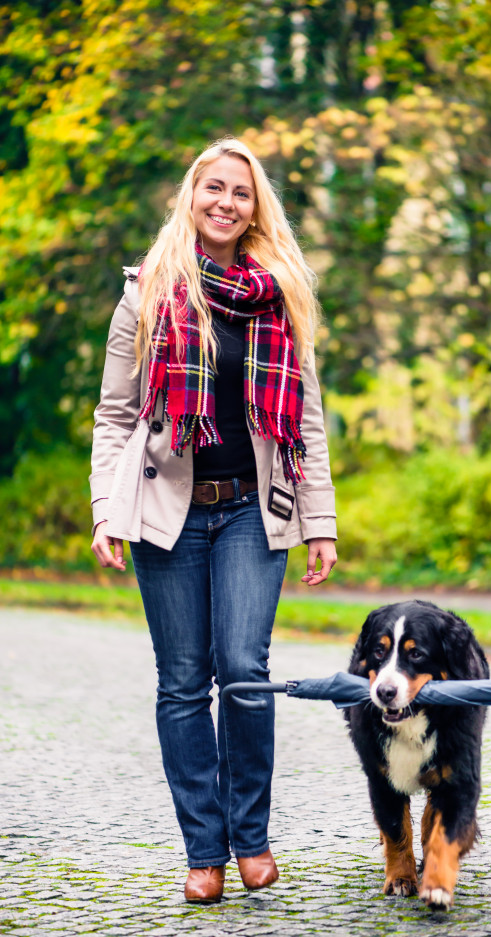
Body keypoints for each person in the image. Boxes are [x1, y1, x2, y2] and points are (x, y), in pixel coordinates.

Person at [90, 138, 337, 903]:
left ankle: (251, 835)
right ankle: (205, 851)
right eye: (213, 188)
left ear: (256, 204)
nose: (226, 202)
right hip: (168, 513)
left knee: (245, 672)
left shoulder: (282, 292)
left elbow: (311, 418)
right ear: (190, 195)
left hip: (252, 513)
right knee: (182, 683)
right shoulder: (148, 291)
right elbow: (115, 415)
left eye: (241, 192)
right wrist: (106, 508)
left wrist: (321, 520)